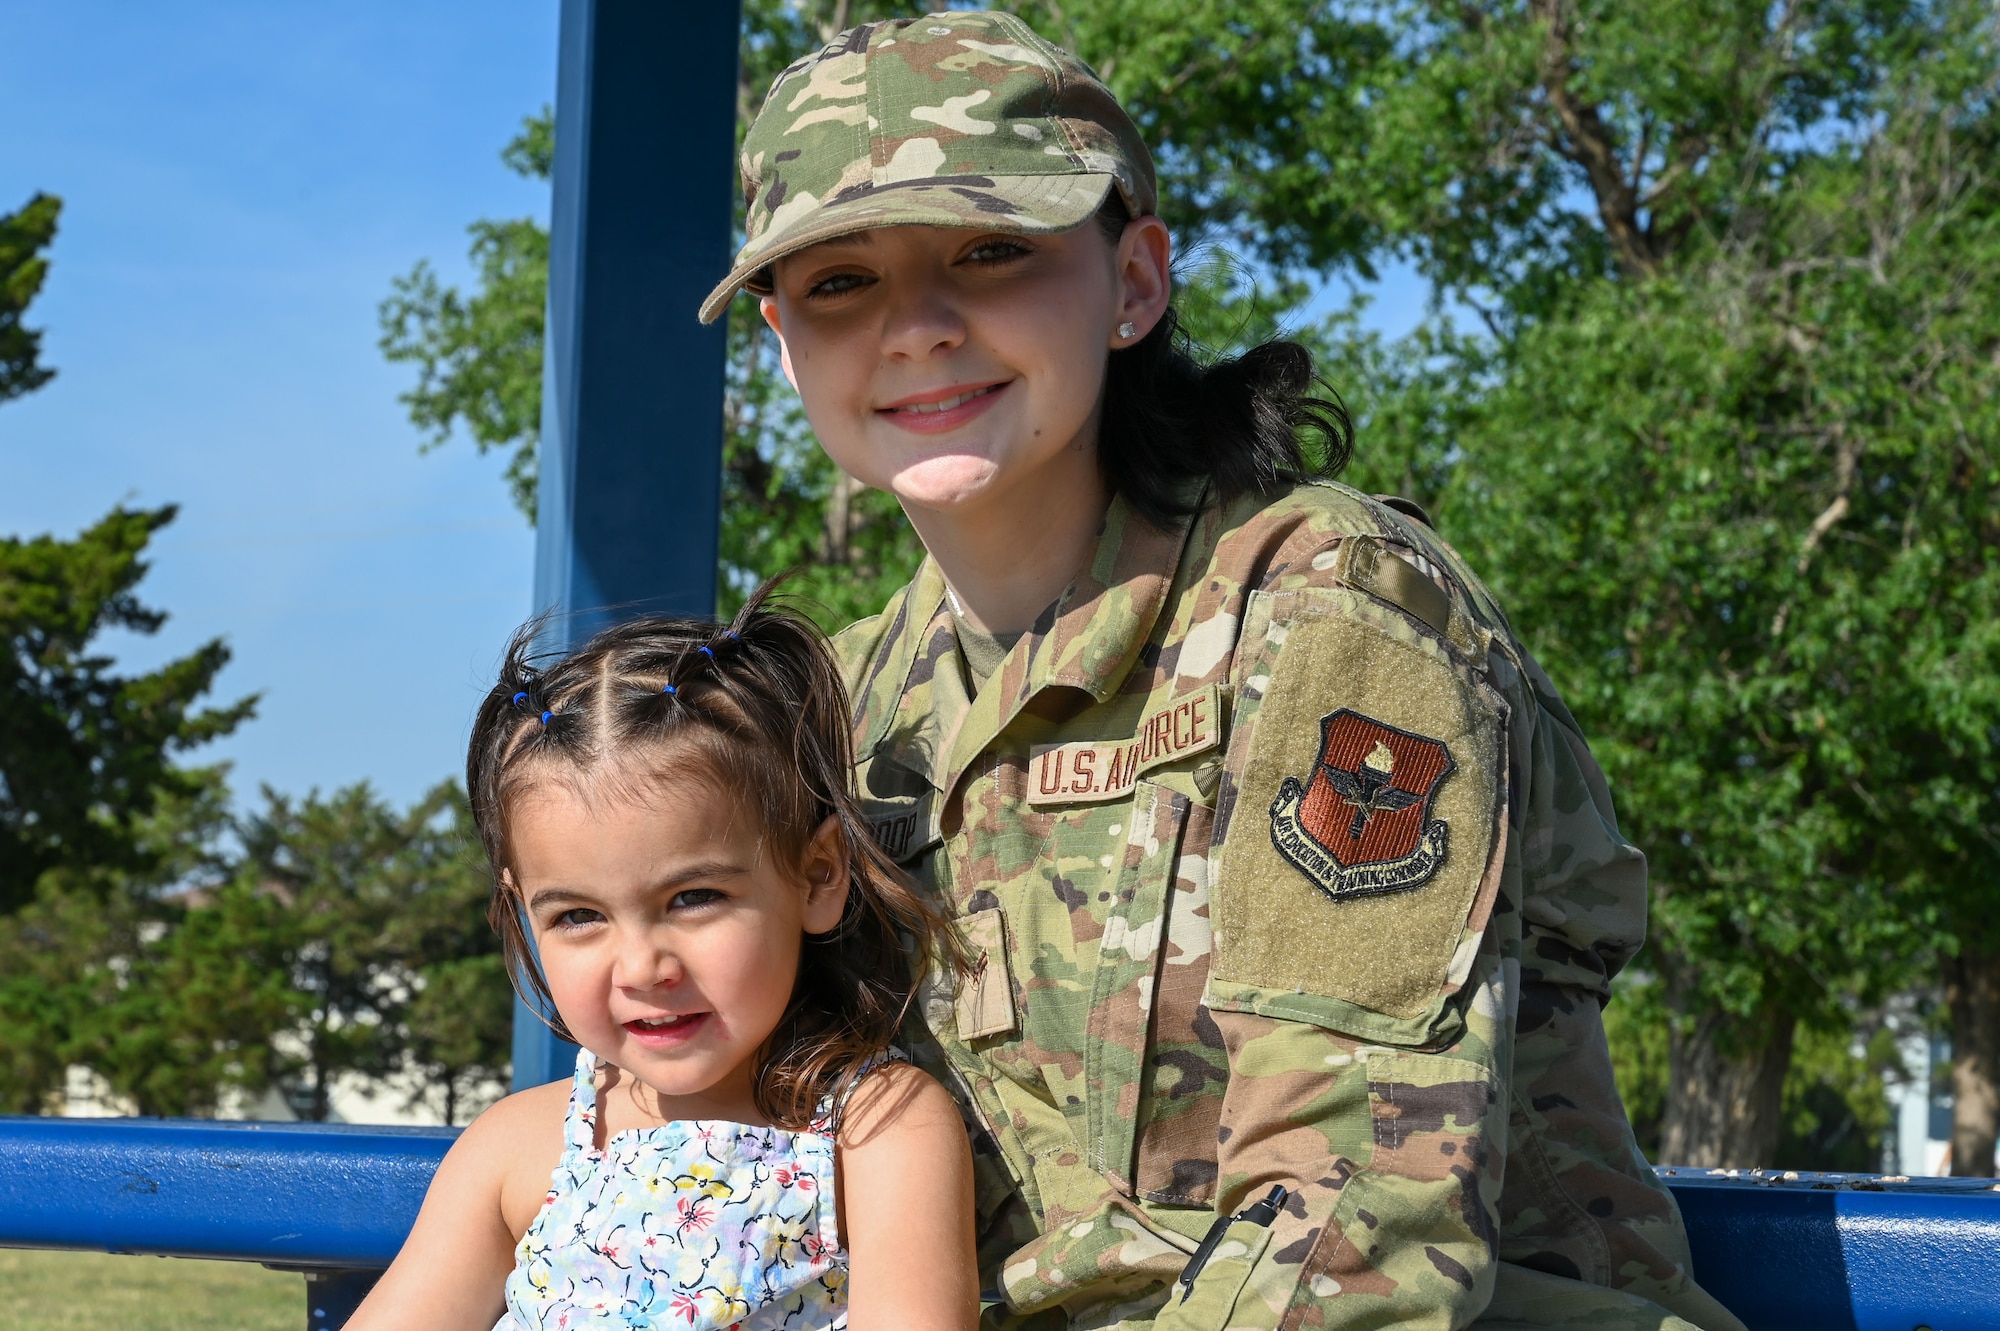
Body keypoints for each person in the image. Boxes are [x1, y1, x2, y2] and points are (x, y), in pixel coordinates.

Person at [697, 11, 1746, 1331]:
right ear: (786, 347)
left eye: (991, 251)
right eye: (840, 282)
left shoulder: (1332, 613)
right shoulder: (830, 715)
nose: (916, 326)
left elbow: (1360, 1237)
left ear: (1134, 283)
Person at [346, 589, 980, 1331]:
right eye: (578, 915)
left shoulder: (877, 1130)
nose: (643, 966)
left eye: (693, 897)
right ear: (524, 913)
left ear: (816, 876)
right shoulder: (515, 1148)